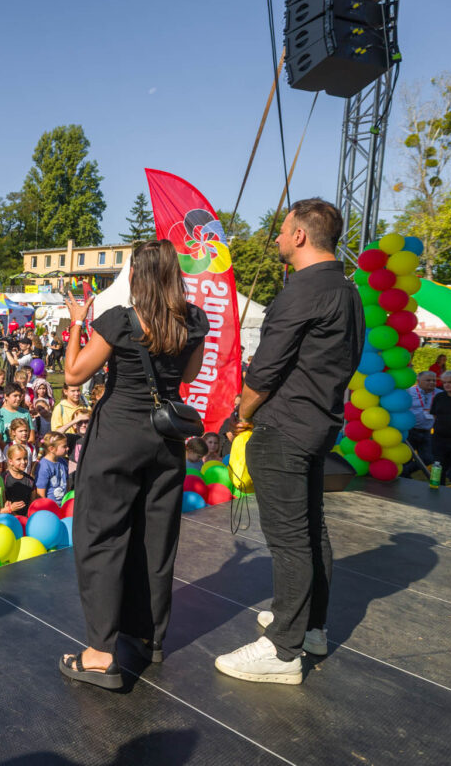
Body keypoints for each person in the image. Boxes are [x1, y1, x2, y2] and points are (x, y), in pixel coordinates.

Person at [216, 199, 363, 686]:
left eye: (281, 231)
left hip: (283, 428)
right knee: (311, 529)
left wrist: (242, 416)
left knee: (289, 540)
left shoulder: (303, 290)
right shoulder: (347, 291)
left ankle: (282, 650)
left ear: (300, 235)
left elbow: (265, 370)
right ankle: (310, 628)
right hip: (319, 423)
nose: (277, 238)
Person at [58, 238, 208, 689]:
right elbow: (188, 376)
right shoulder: (193, 321)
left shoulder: (119, 320)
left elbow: (74, 374)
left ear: (137, 276)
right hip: (167, 441)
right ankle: (148, 636)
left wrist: (77, 323)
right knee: (155, 537)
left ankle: (100, 655)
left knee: (102, 535)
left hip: (119, 438)